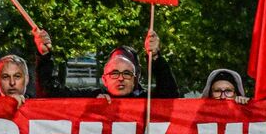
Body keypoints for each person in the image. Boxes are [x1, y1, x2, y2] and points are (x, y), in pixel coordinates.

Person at [34, 28, 180, 99]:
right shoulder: (93, 97)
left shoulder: (146, 102)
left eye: (127, 74)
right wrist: (45, 56)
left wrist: (155, 57)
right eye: (114, 73)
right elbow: (50, 95)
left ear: (136, 78)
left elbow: (170, 95)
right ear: (104, 79)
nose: (120, 78)